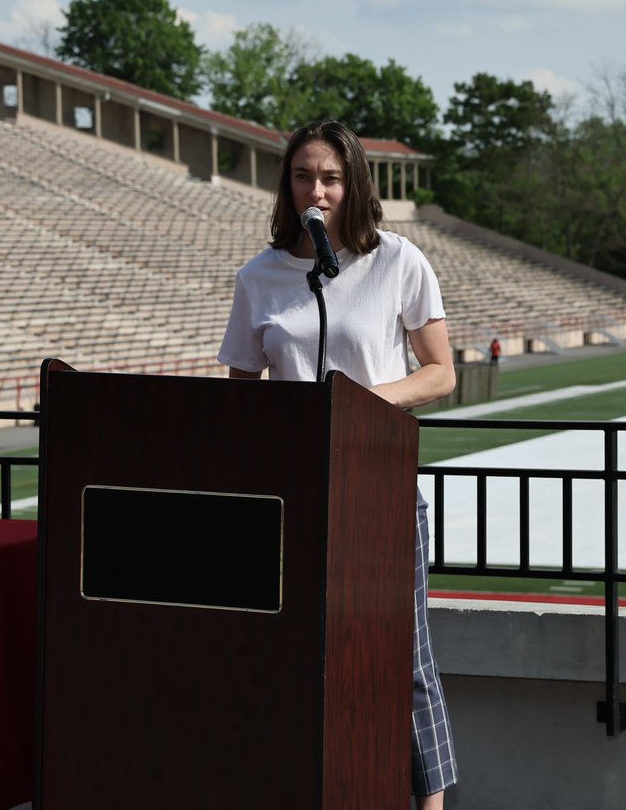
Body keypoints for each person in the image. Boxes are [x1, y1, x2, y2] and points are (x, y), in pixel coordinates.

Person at [218, 119, 459, 808]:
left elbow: (441, 373)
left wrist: (360, 404)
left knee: (405, 658)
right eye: (302, 176)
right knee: (291, 651)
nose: (315, 190)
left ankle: (430, 804)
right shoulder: (260, 277)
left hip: (380, 488)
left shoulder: (398, 261)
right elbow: (244, 397)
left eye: (329, 177)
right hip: (292, 498)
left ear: (353, 183)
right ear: (285, 185)